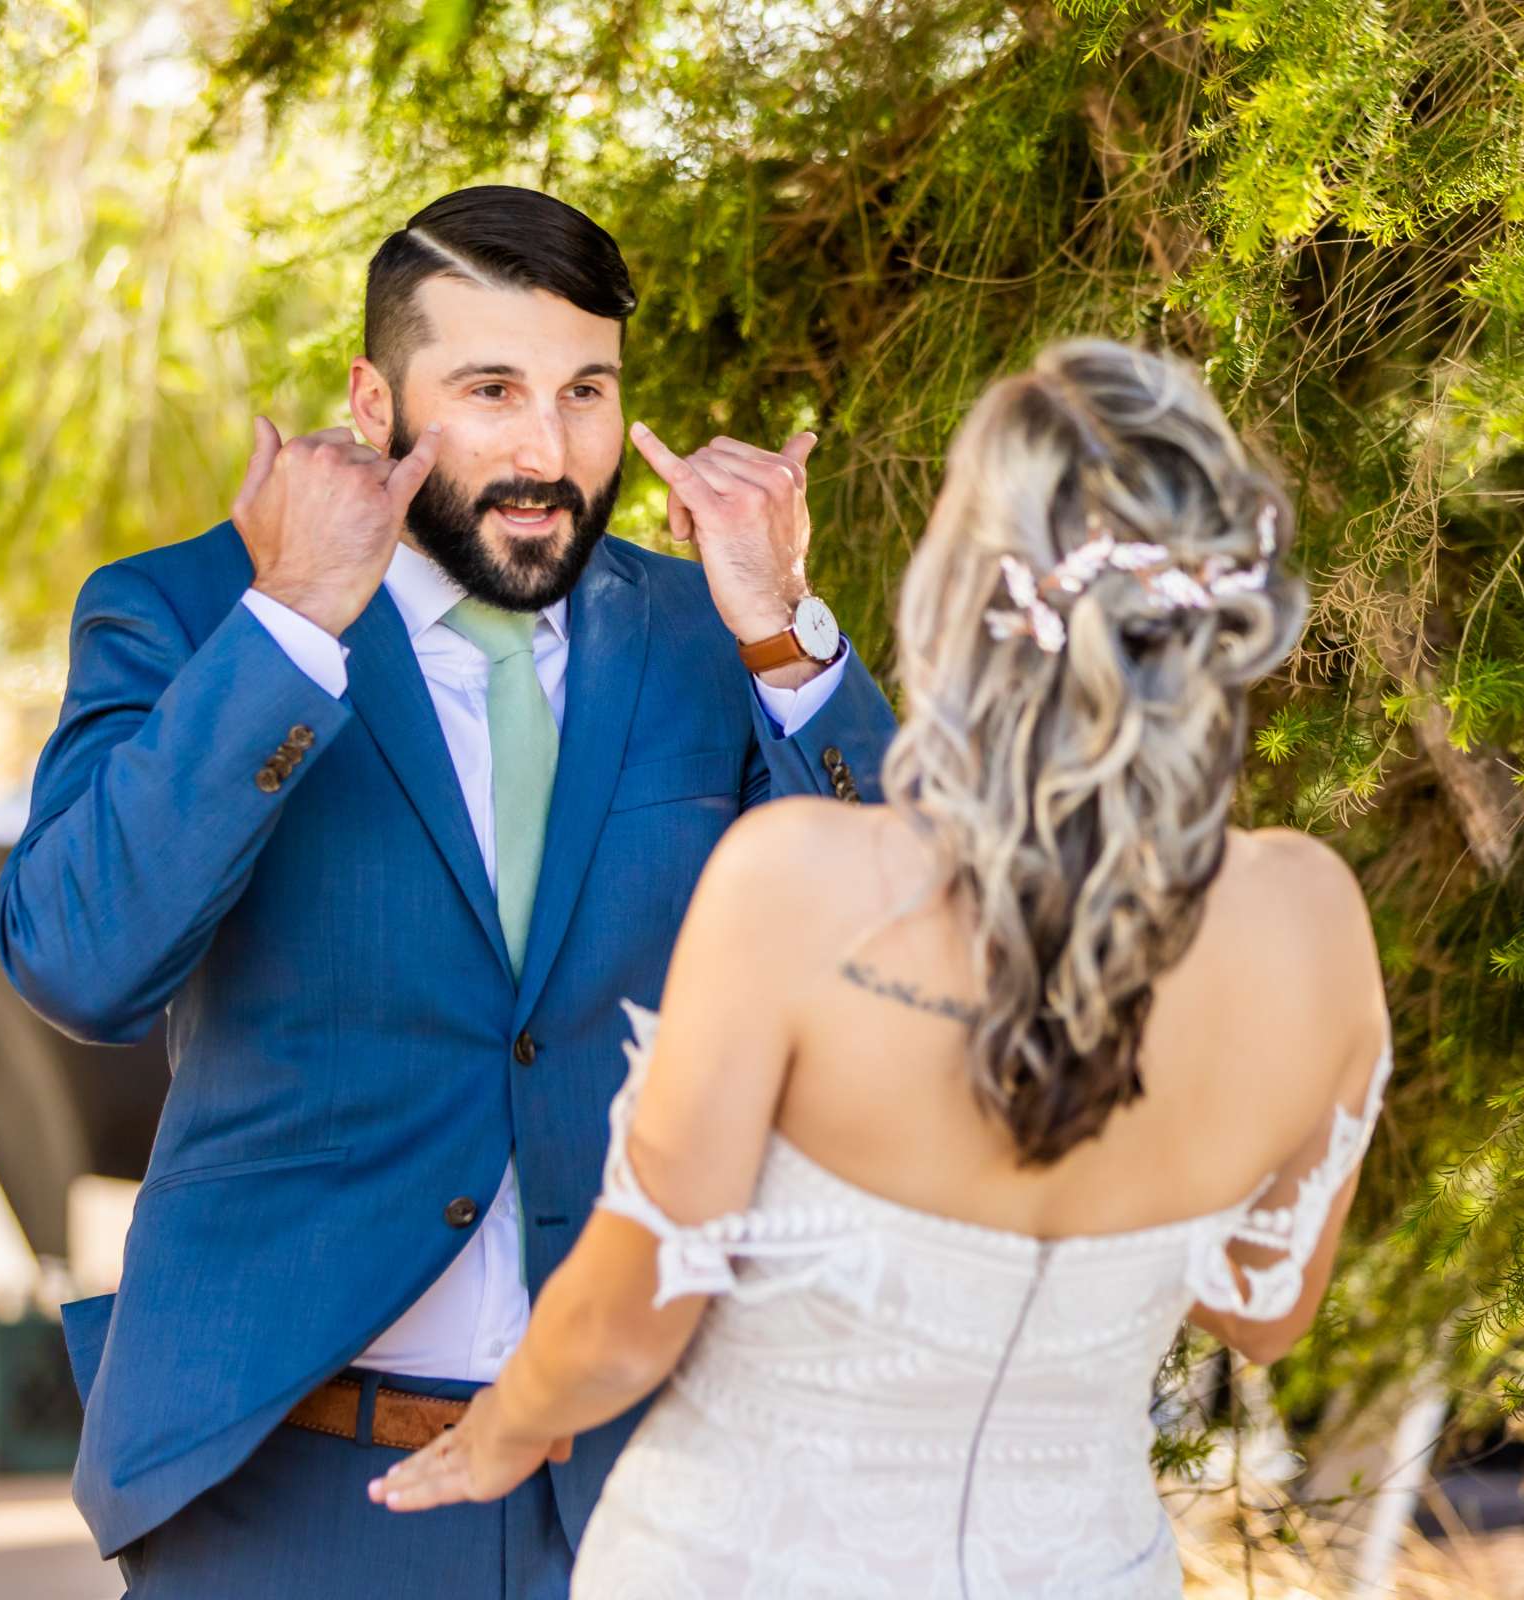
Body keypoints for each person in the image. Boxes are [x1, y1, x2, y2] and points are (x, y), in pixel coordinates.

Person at [370, 337, 1395, 1599]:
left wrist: (510, 1423)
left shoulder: (804, 884)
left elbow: (626, 1326)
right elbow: (1262, 1305)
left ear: (966, 593)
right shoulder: (1311, 918)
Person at [0, 184, 898, 1597]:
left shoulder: (704, 627)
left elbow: (914, 967)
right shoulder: (187, 614)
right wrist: (288, 625)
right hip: (293, 1488)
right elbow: (78, 962)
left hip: (647, 1490)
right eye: (491, 390)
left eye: (586, 391)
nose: (549, 450)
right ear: (374, 399)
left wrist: (787, 644)